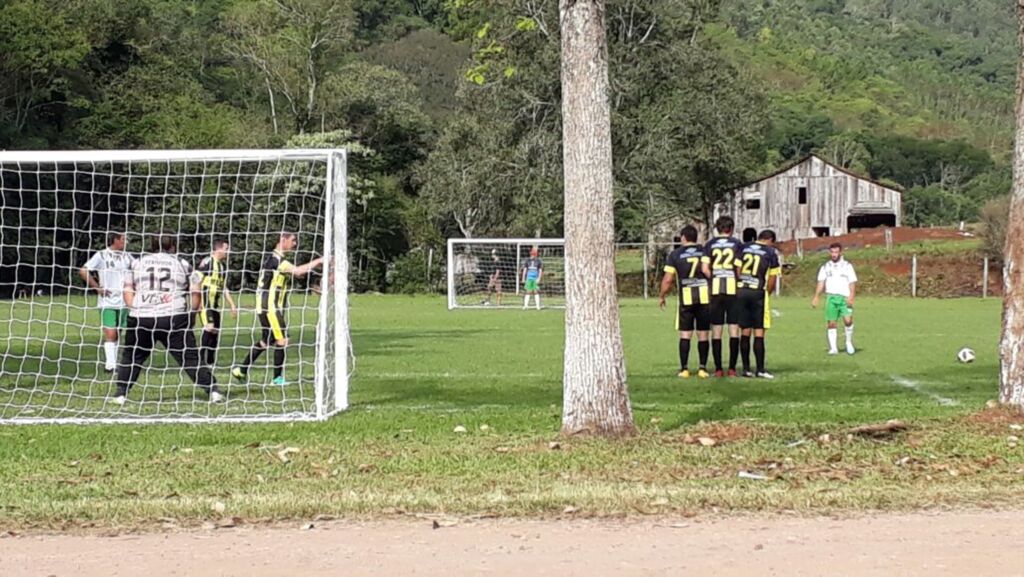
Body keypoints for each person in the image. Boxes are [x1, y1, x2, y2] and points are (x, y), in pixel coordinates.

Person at [114, 233, 219, 405]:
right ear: (173, 246)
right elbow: (196, 290)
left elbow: (127, 288)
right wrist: (192, 313)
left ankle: (121, 393)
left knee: (132, 356)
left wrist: (135, 307)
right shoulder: (182, 263)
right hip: (173, 316)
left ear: (151, 245)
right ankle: (213, 390)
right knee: (189, 357)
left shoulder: (136, 262)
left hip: (142, 316)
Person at [232, 232, 323, 386]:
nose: (295, 243)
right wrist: (320, 260)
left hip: (266, 307)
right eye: (293, 240)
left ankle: (241, 369)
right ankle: (277, 378)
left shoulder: (274, 259)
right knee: (283, 340)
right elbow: (298, 271)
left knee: (267, 341)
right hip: (271, 308)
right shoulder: (277, 259)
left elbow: (296, 274)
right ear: (283, 240)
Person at [659, 225, 712, 379]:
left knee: (685, 334)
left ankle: (684, 369)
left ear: (683, 237)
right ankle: (702, 368)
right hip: (704, 297)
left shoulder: (675, 254)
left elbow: (668, 279)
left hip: (686, 298)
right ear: (696, 237)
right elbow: (708, 272)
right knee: (703, 334)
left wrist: (662, 295)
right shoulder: (704, 251)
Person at [79, 232, 136, 373]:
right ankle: (110, 366)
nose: (125, 242)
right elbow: (83, 271)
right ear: (115, 240)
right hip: (107, 301)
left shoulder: (127, 256)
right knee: (110, 333)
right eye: (123, 239)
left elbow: (137, 270)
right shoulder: (102, 255)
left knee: (118, 333)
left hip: (124, 301)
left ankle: (114, 363)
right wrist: (97, 287)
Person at [735, 229, 782, 379]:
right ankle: (760, 369)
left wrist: (741, 282)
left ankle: (746, 369)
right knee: (759, 332)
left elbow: (737, 268)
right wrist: (766, 292)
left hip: (742, 291)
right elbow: (773, 278)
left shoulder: (743, 247)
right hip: (758, 293)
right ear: (770, 240)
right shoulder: (770, 252)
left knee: (745, 331)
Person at [704, 216, 745, 377]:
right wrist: (738, 280)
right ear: (732, 228)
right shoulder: (737, 244)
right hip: (732, 290)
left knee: (717, 330)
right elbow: (739, 269)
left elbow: (705, 268)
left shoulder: (710, 245)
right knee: (734, 329)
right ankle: (733, 368)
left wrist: (713, 278)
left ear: (717, 229)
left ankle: (719, 368)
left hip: (716, 290)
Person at [196, 239, 239, 367]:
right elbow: (196, 279)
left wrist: (232, 304)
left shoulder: (222, 267)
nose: (228, 252)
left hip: (215, 305)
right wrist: (196, 300)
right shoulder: (207, 262)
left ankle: (210, 361)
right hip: (205, 303)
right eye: (226, 249)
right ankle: (199, 360)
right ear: (218, 249)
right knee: (209, 327)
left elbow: (223, 287)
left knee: (215, 332)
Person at [812, 242, 858, 355]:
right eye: (832, 252)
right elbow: (821, 282)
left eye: (836, 252)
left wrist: (851, 296)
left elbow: (852, 282)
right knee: (831, 323)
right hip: (831, 297)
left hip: (844, 297)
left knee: (848, 320)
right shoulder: (825, 267)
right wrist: (816, 297)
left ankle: (848, 342)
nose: (834, 254)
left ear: (840, 252)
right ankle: (833, 348)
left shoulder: (847, 266)